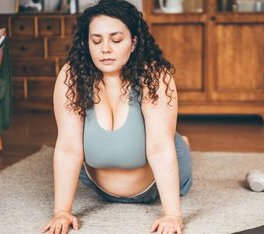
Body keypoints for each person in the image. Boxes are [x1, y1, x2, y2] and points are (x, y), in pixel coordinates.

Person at [41, 0, 192, 233]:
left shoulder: (153, 76)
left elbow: (160, 149)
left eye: (116, 39)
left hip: (149, 187)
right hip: (100, 188)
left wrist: (172, 215)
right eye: (96, 40)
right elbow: (68, 148)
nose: (105, 49)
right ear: (86, 42)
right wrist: (61, 212)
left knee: (170, 144)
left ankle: (182, 143)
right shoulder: (72, 76)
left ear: (133, 43)